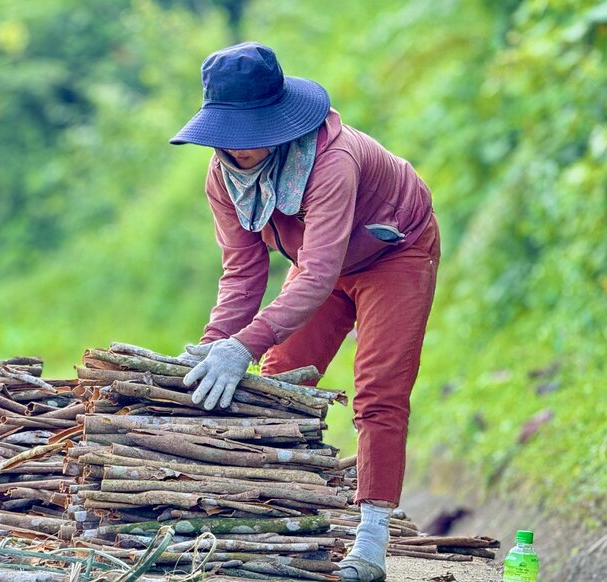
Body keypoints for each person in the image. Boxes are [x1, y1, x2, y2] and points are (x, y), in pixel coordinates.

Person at [170, 42, 440, 582]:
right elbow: (244, 272)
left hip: (394, 252)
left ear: (277, 119)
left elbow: (317, 273)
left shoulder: (331, 161)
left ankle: (370, 538)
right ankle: (282, 514)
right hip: (321, 264)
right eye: (229, 135)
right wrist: (217, 342)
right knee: (284, 378)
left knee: (379, 391)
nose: (239, 148)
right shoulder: (221, 178)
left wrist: (245, 342)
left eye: (252, 134)